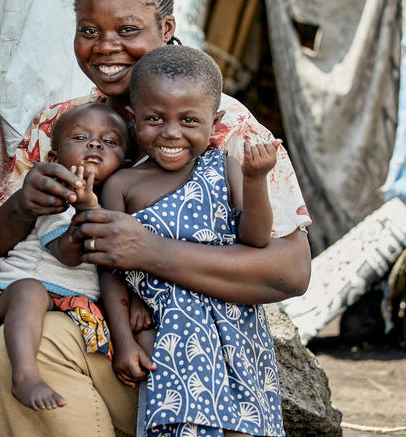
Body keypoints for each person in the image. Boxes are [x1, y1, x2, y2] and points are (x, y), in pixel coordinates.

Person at [0, 0, 311, 437]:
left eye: (128, 30)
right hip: (69, 301)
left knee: (42, 341)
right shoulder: (59, 123)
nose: (106, 47)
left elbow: (291, 270)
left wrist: (150, 251)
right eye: (89, 31)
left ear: (167, 28)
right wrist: (25, 205)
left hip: (169, 354)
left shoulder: (222, 127)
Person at [99, 45, 285, 437]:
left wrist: (255, 181)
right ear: (132, 119)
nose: (171, 132)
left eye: (188, 120)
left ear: (214, 122)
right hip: (172, 332)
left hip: (237, 326)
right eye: (154, 118)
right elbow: (110, 271)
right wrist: (124, 340)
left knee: (245, 427)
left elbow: (253, 240)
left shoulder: (225, 168)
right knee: (184, 424)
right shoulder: (121, 186)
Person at [0, 103, 129, 411]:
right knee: (30, 291)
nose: (95, 144)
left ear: (125, 165)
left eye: (109, 142)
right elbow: (68, 254)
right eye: (80, 137)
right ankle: (24, 375)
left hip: (69, 300)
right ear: (54, 159)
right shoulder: (57, 201)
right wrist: (84, 208)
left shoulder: (122, 209)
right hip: (19, 287)